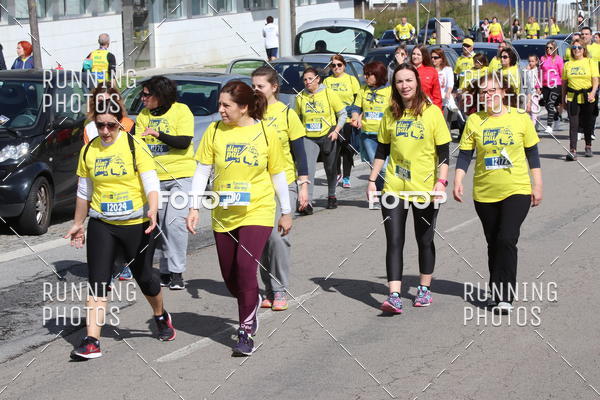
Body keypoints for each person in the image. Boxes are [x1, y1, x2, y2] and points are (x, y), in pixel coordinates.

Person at [65, 96, 176, 360]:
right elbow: (84, 192)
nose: (105, 131)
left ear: (121, 123)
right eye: (100, 125)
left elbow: (151, 183)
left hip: (136, 224)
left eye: (111, 125)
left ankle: (160, 315)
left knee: (145, 277)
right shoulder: (89, 151)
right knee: (97, 280)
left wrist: (152, 210)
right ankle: (92, 340)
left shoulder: (135, 146)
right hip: (102, 223)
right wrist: (78, 223)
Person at [186, 81, 291, 356]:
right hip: (223, 212)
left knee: (246, 267)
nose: (220, 110)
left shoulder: (266, 133)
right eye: (219, 105)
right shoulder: (214, 131)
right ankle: (251, 299)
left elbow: (277, 173)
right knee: (231, 277)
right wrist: (194, 207)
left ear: (243, 107)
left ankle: (245, 330)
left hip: (258, 209)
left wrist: (286, 210)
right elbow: (202, 170)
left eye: (226, 105)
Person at [454, 72, 543, 313]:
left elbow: (532, 153)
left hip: (516, 189)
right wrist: (458, 179)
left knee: (506, 238)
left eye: (493, 90)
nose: (488, 95)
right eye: (483, 92)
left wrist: (537, 184)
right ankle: (496, 291)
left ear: (503, 92)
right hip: (484, 192)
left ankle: (505, 296)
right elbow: (465, 154)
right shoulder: (475, 120)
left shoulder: (520, 117)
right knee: (493, 242)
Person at [367, 63, 450, 314]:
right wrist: (372, 180)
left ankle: (424, 288)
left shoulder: (432, 113)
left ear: (417, 83)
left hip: (424, 188)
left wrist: (441, 181)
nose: (405, 86)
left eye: (409, 80)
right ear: (395, 85)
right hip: (394, 187)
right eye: (400, 81)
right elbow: (382, 150)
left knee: (424, 239)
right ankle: (394, 295)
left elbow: (444, 153)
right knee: (394, 240)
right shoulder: (390, 113)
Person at [251, 66, 309, 311]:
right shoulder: (249, 114)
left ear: (274, 87)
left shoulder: (287, 114)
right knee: (262, 240)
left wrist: (303, 186)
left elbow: (300, 154)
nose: (255, 90)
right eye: (253, 86)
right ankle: (268, 288)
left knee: (277, 237)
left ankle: (280, 289)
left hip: (284, 184)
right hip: (257, 186)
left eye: (260, 86)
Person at [135, 76, 195, 290]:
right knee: (158, 226)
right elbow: (139, 146)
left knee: (175, 223)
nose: (142, 98)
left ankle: (177, 272)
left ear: (159, 95)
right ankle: (165, 271)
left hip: (180, 175)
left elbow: (184, 142)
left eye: (146, 94)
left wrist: (158, 134)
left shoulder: (182, 111)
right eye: (142, 94)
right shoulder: (143, 115)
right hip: (154, 178)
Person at [295, 67, 347, 211]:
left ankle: (332, 195)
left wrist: (336, 131)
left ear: (318, 79)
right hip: (308, 137)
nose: (307, 82)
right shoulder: (300, 97)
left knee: (330, 168)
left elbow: (342, 114)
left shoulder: (329, 93)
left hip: (328, 135)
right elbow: (296, 118)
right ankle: (308, 203)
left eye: (310, 79)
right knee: (308, 169)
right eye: (305, 79)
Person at [350, 61, 391, 199]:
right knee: (375, 166)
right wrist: (355, 117)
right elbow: (356, 107)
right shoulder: (363, 89)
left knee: (384, 168)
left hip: (385, 135)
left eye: (369, 74)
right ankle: (379, 194)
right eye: (365, 74)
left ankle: (390, 193)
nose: (365, 77)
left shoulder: (390, 90)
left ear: (378, 75)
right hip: (368, 135)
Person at [323, 55, 360, 189]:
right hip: (334, 119)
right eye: (333, 65)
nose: (336, 67)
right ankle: (337, 173)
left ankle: (346, 177)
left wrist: (356, 116)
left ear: (344, 66)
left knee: (347, 149)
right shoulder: (327, 81)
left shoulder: (351, 79)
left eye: (339, 65)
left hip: (349, 119)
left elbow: (358, 99)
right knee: (335, 148)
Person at [562, 39, 599, 160]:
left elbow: (595, 80)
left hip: (587, 97)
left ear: (584, 49)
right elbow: (564, 84)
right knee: (573, 125)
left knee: (587, 123)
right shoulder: (568, 64)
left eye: (579, 48)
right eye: (574, 48)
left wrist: (593, 93)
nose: (576, 50)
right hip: (572, 98)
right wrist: (563, 99)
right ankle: (572, 150)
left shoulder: (590, 62)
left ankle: (588, 146)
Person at [539, 40, 564, 135]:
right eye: (547, 48)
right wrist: (538, 86)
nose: (548, 49)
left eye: (550, 48)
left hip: (556, 85)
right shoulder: (542, 58)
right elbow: (540, 73)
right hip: (545, 85)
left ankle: (549, 126)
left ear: (554, 49)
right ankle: (556, 117)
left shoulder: (558, 59)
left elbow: (562, 73)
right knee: (547, 104)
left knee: (550, 104)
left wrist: (564, 87)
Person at [410, 44, 442, 109]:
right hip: (409, 107)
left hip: (427, 107)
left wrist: (437, 111)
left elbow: (437, 96)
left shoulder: (431, 71)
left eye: (418, 54)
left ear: (423, 56)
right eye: (413, 54)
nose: (415, 56)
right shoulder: (406, 70)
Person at [431, 48, 456, 124]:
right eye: (431, 57)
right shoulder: (430, 70)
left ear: (441, 58)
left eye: (435, 58)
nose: (433, 59)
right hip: (432, 101)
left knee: (445, 123)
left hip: (444, 101)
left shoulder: (447, 69)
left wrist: (448, 92)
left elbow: (450, 83)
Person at [523, 55, 541, 125]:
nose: (530, 63)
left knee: (534, 109)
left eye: (532, 61)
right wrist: (526, 70)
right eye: (529, 61)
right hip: (527, 93)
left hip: (534, 92)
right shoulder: (526, 70)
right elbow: (523, 78)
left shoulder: (538, 70)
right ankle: (531, 123)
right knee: (527, 109)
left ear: (536, 62)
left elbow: (539, 80)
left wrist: (538, 88)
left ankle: (534, 124)